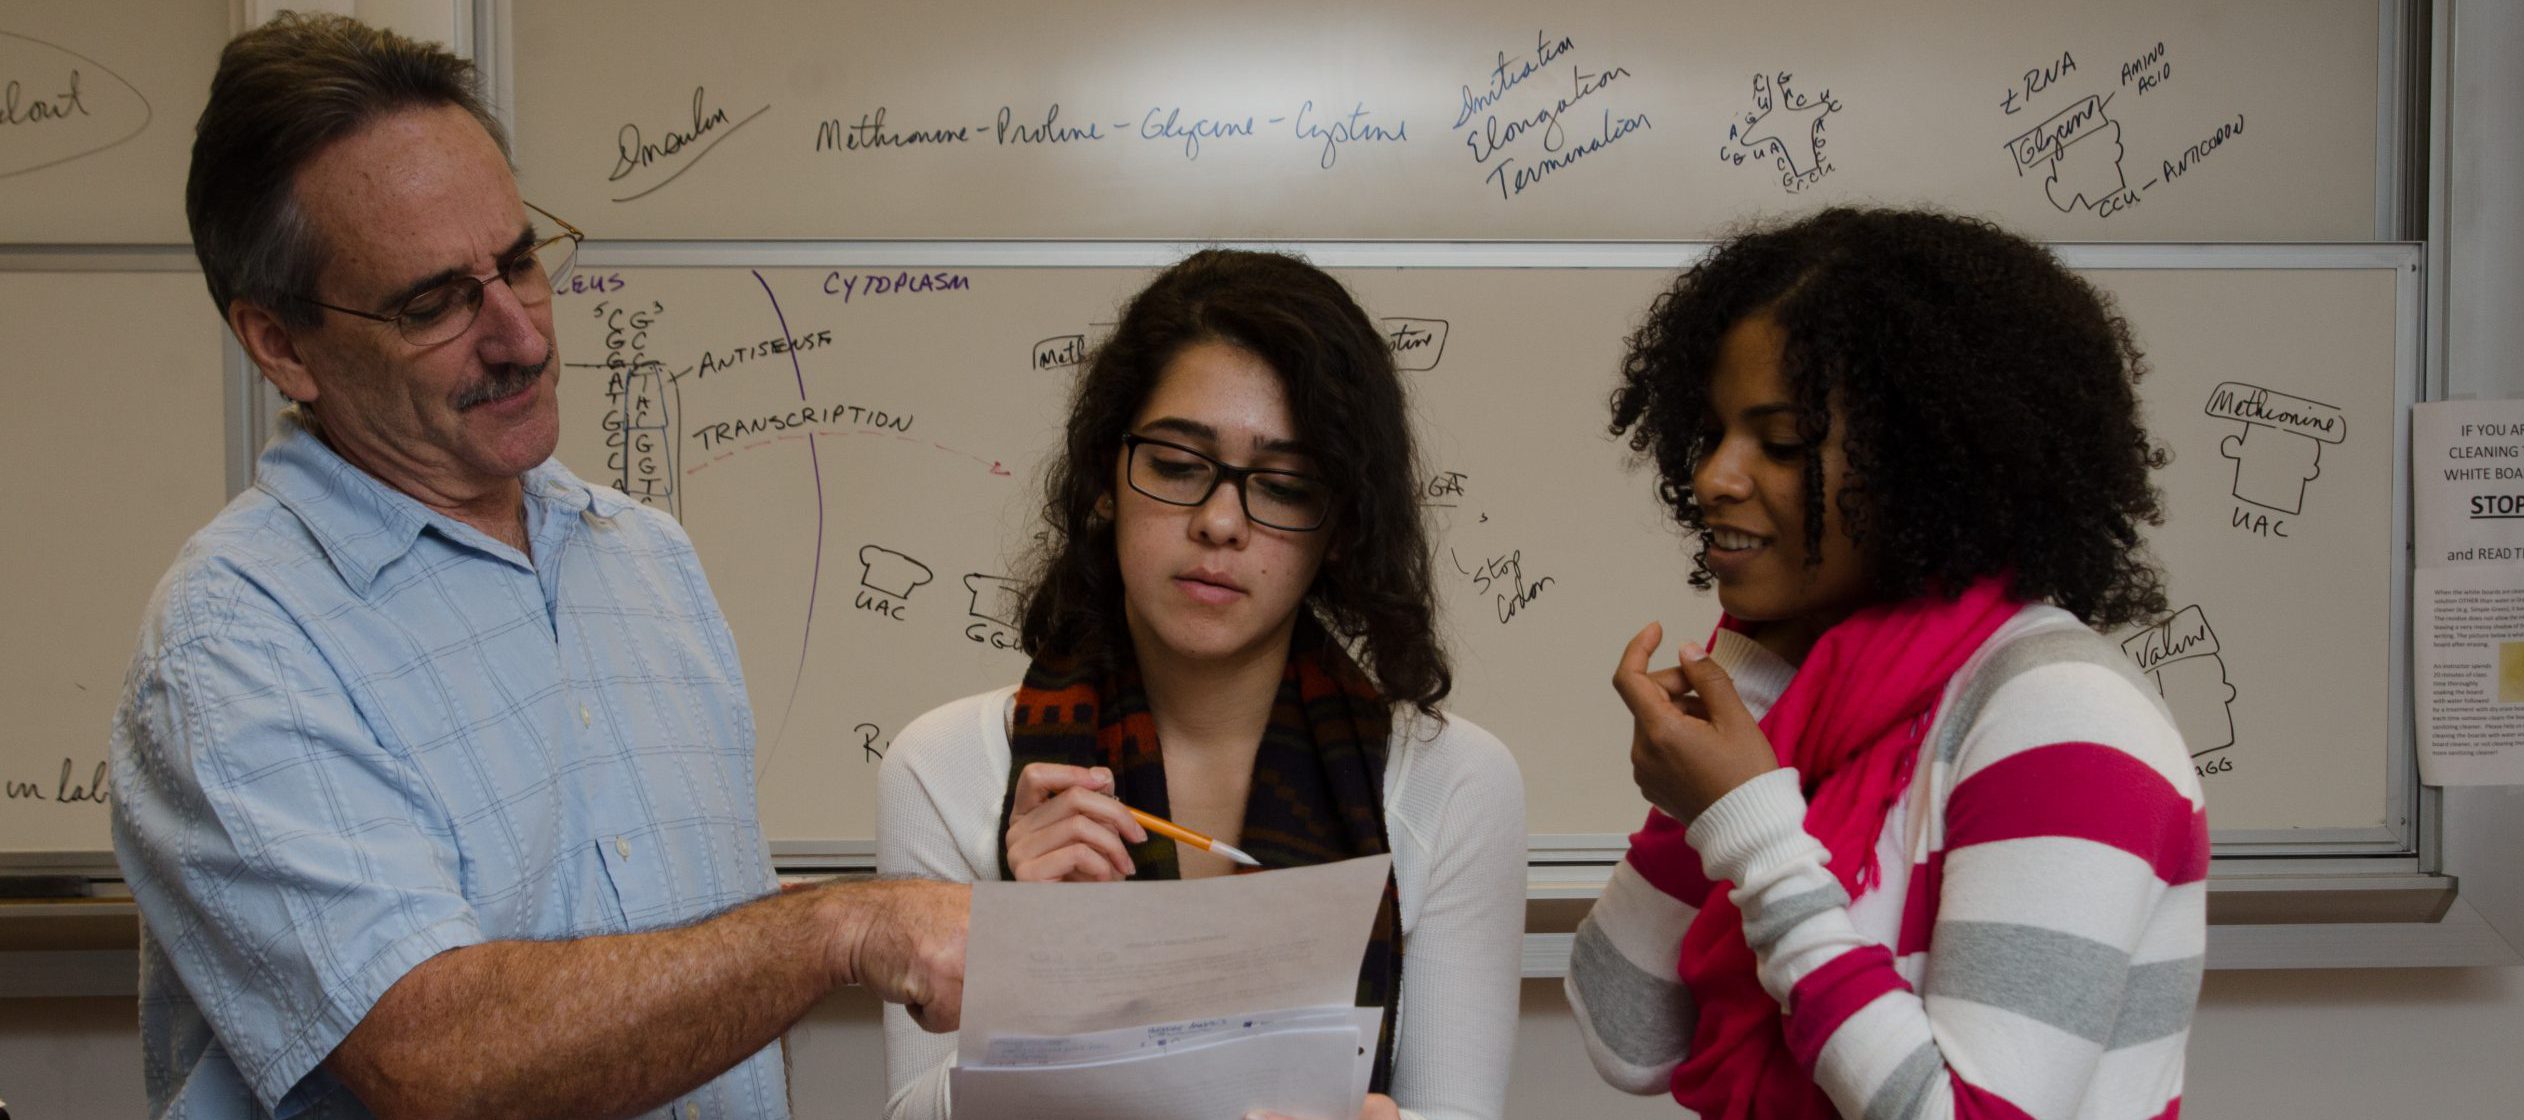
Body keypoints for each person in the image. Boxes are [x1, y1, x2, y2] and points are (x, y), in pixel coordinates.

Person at [109, 15, 965, 1120]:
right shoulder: (234, 643)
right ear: (279, 343)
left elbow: (695, 976)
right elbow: (436, 1058)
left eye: (517, 262)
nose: (519, 336)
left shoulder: (642, 558)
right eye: (434, 303)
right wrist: (840, 927)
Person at [1567, 208, 2206, 1119]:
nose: (1714, 477)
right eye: (1711, 434)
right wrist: (1723, 736)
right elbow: (1624, 1035)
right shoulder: (1813, 691)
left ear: (1927, 464)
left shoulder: (2062, 712)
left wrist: (1755, 834)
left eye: (1782, 443)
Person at [876, 249, 1525, 1120]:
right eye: (1179, 466)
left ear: (1339, 526)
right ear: (1107, 479)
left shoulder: (1456, 783)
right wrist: (1035, 969)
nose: (1221, 522)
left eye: (1286, 486)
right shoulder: (942, 767)